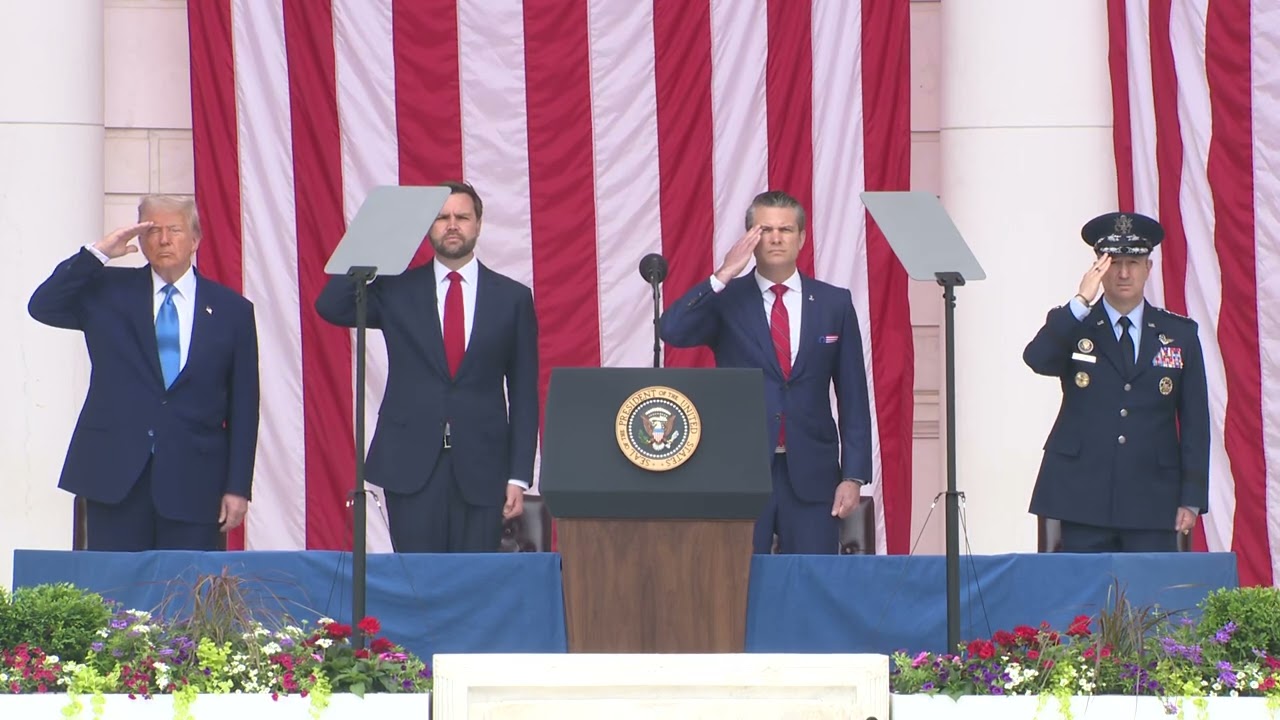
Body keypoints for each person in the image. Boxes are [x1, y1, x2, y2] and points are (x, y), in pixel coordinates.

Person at [315, 181, 538, 553]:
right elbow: (331, 306)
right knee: (417, 584)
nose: (452, 225)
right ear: (427, 226)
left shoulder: (511, 298)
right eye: (441, 217)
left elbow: (524, 393)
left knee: (473, 585)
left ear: (478, 224)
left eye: (462, 217)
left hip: (483, 467)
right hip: (410, 464)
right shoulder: (396, 289)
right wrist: (380, 236)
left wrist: (518, 475)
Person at [28, 195, 260, 551]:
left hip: (195, 481)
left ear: (195, 240)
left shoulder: (232, 311)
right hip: (114, 475)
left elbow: (245, 407)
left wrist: (237, 487)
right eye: (152, 231)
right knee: (111, 596)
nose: (164, 240)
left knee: (186, 597)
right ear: (139, 239)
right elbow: (43, 305)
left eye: (175, 230)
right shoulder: (108, 291)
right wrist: (98, 253)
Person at [660, 190, 873, 554]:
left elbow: (853, 395)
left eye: (786, 230)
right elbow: (673, 330)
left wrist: (852, 475)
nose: (776, 238)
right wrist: (723, 273)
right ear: (750, 238)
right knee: (738, 588)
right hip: (742, 472)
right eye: (765, 230)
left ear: (802, 237)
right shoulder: (727, 300)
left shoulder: (833, 303)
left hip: (813, 474)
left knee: (810, 586)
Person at [1024, 211, 1209, 552]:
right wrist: (1080, 301)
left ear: (1148, 269)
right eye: (1114, 262)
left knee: (1155, 602)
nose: (1123, 273)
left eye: (1134, 262)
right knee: (1077, 601)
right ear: (1098, 267)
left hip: (1153, 498)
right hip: (1077, 496)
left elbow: (1196, 422)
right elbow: (1037, 359)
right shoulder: (1073, 324)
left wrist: (1192, 497)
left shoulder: (1179, 334)